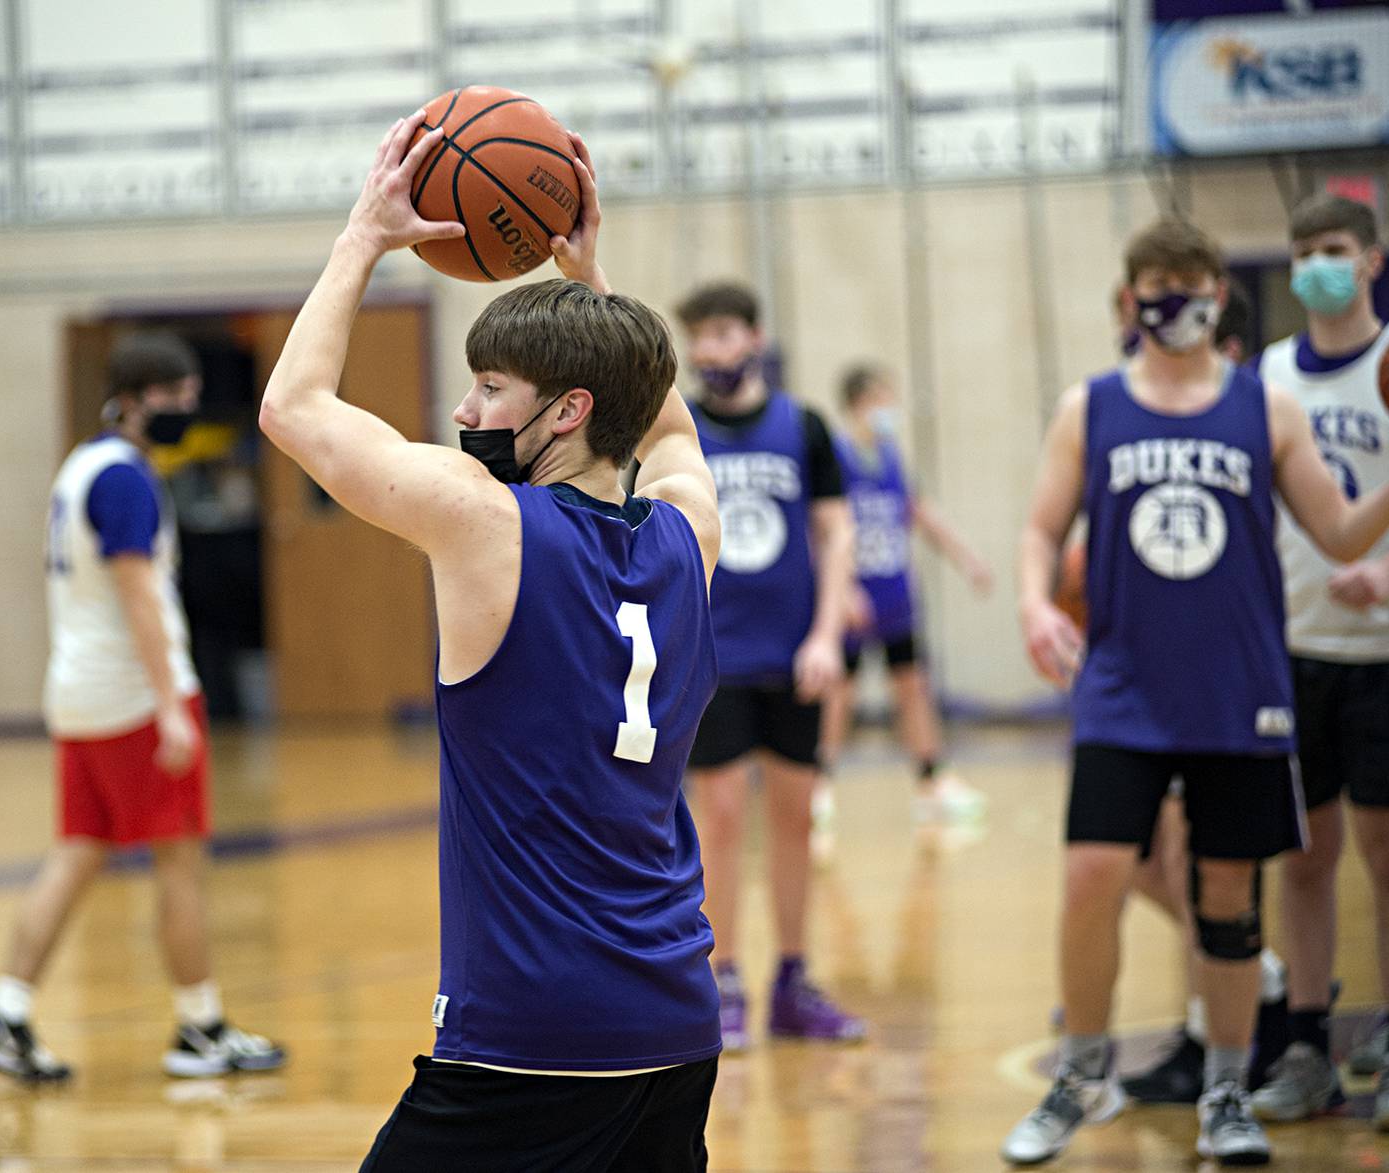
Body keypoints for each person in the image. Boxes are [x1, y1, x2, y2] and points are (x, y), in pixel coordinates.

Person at [261, 113, 724, 1171]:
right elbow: (671, 435)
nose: (464, 408)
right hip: (675, 1024)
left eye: (490, 390)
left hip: (530, 1039)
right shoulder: (690, 533)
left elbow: (294, 407)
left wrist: (365, 235)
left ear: (566, 412)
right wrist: (592, 277)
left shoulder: (483, 524)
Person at [1003, 217, 1389, 1166]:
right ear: (1128, 299)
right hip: (1121, 683)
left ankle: (1227, 1090)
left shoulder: (1267, 410)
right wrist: (1034, 606)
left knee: (1229, 898)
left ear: (1218, 295)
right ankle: (1078, 1075)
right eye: (1157, 281)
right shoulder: (1091, 407)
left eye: (1193, 281)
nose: (1175, 298)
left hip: (1240, 690)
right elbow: (1039, 529)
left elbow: (1345, 535)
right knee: (1091, 875)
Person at [0, 333, 287, 1082]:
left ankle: (5, 1013)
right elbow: (139, 592)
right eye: (176, 401)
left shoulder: (82, 467)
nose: (186, 412)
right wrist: (171, 704)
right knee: (180, 863)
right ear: (136, 399)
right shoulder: (126, 481)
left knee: (78, 851)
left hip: (79, 693)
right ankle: (200, 1026)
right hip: (135, 697)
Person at [1249, 194, 1389, 1133]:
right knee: (1302, 858)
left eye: (1334, 249)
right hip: (1295, 650)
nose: (1318, 264)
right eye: (1303, 250)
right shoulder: (1269, 375)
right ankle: (1308, 1043)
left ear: (1371, 260)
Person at [1118, 275, 1292, 1107]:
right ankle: (1250, 981)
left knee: (1208, 865)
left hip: (1245, 672)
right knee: (1153, 858)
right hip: (1159, 668)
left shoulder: (1259, 417)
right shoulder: (1136, 398)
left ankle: (1240, 1009)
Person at [675, 281, 863, 1051]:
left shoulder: (804, 424)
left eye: (725, 333)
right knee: (718, 819)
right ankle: (722, 980)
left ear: (755, 337)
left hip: (794, 656)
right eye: (700, 337)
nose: (713, 350)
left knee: (793, 818)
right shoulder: (676, 427)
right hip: (711, 656)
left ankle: (792, 979)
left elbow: (837, 534)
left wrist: (826, 636)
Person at [815, 363, 993, 841]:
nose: (889, 409)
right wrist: (844, 588)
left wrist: (967, 557)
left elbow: (918, 512)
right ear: (858, 402)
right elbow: (821, 528)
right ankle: (820, 784)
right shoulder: (838, 456)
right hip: (856, 597)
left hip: (895, 596)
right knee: (840, 695)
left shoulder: (890, 456)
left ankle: (931, 781)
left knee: (913, 688)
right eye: (882, 399)